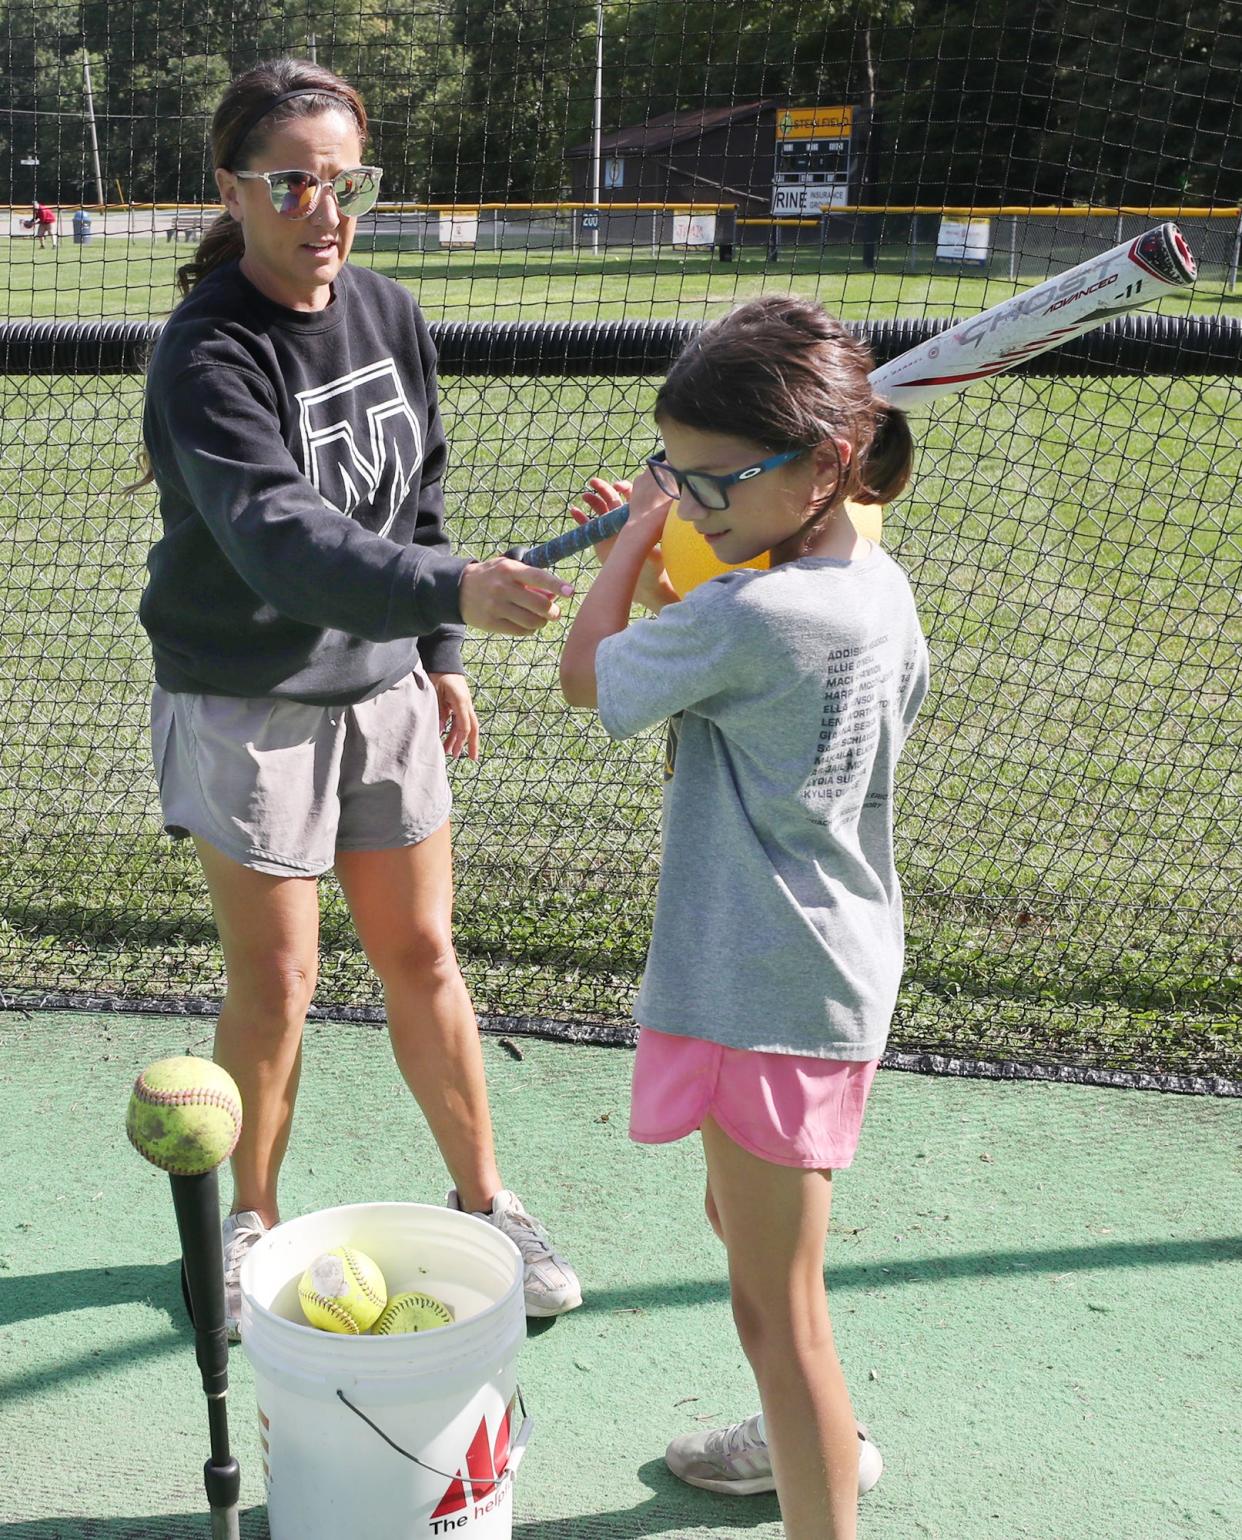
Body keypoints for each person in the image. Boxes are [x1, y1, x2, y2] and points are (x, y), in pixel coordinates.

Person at [136, 57, 581, 1337]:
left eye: (348, 184)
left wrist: (440, 646)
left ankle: (489, 1201)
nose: (325, 211)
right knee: (277, 981)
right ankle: (247, 1226)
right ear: (234, 188)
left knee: (425, 952)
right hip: (248, 698)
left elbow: (416, 494)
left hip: (384, 687)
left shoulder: (387, 311)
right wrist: (447, 583)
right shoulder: (209, 348)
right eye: (294, 183)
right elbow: (277, 537)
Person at [559, 295, 928, 1540]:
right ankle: (801, 1435)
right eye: (680, 474)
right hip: (827, 966)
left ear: (828, 465)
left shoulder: (752, 614)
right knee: (755, 1238)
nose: (696, 502)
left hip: (760, 984)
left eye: (719, 480)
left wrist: (631, 543)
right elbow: (727, 643)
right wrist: (684, 538)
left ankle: (817, 1467)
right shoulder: (868, 586)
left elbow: (588, 672)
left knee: (780, 1316)